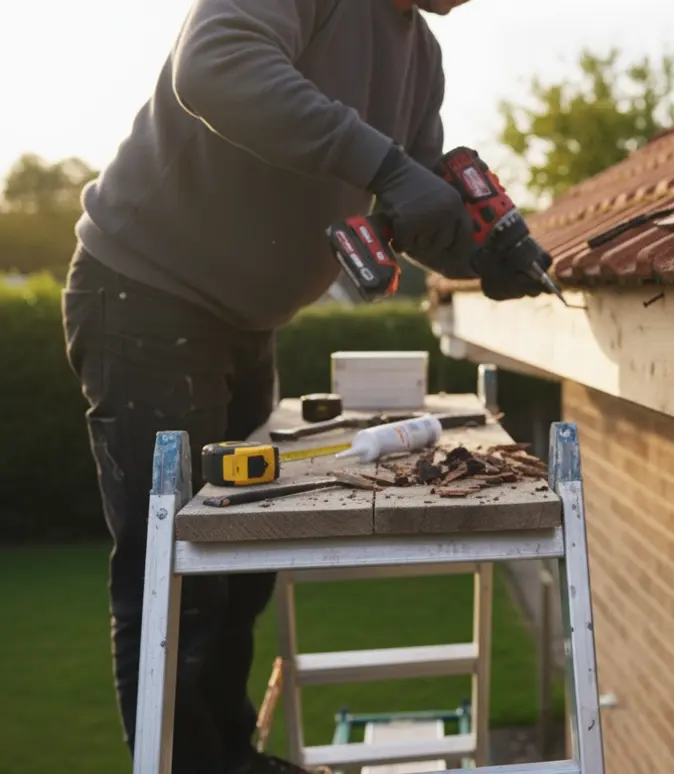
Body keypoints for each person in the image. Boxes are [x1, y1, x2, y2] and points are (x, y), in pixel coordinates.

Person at [60, 1, 546, 772]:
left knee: (239, 561)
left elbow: (414, 206)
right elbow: (214, 66)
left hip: (244, 324)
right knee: (172, 574)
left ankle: (228, 755)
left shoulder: (420, 53)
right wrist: (386, 166)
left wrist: (485, 258)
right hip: (144, 300)